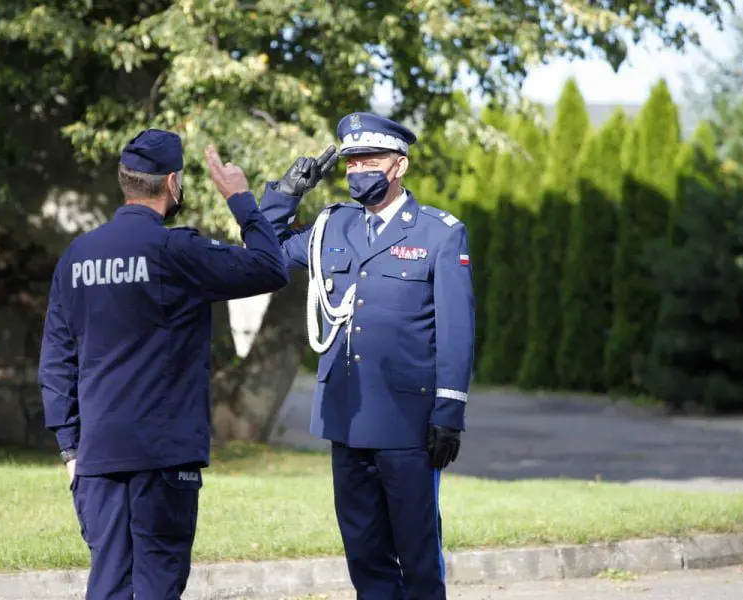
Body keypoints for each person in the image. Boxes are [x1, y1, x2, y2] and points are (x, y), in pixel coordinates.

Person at [37, 128, 289, 600]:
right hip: (164, 457)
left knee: (108, 585)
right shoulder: (178, 252)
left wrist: (70, 448)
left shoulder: (77, 256)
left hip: (98, 456)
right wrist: (241, 200)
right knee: (158, 585)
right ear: (173, 183)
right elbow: (270, 267)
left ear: (125, 180)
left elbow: (56, 360)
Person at [261, 112, 475, 599]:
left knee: (419, 557)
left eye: (370, 160)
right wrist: (285, 194)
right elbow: (265, 250)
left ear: (399, 165)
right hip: (347, 418)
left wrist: (449, 413)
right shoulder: (331, 226)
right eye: (352, 161)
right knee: (365, 556)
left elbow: (457, 332)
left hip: (407, 424)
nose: (358, 170)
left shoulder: (439, 233)